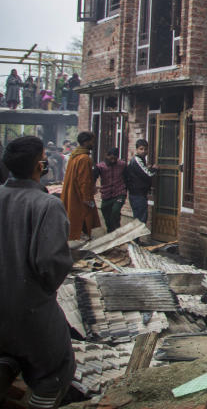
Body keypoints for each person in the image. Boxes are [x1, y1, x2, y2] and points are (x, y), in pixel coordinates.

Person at [0, 136, 75, 409]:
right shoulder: (47, 205)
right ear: (38, 166)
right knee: (55, 371)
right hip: (31, 309)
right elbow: (51, 264)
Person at [60, 132, 100, 241]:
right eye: (92, 141)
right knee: (82, 221)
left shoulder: (74, 156)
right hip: (79, 197)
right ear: (86, 142)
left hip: (72, 194)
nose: (93, 143)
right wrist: (87, 199)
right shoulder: (84, 158)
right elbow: (84, 181)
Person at [123, 139, 155, 225]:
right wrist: (154, 169)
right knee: (140, 220)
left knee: (139, 219)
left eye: (145, 149)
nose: (143, 151)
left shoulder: (141, 160)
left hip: (139, 194)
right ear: (136, 149)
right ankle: (135, 238)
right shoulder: (137, 160)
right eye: (141, 149)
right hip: (137, 194)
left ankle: (135, 239)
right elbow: (148, 174)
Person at [94, 147, 126, 232]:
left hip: (119, 193)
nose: (112, 160)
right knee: (105, 212)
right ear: (106, 156)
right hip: (106, 194)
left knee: (115, 211)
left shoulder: (122, 165)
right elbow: (93, 177)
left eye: (115, 158)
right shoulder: (100, 166)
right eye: (111, 158)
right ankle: (110, 231)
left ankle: (117, 229)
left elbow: (127, 177)